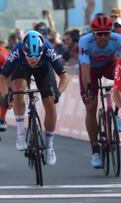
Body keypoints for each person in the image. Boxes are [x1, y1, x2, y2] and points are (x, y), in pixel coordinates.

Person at [0, 31, 70, 165]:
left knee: (50, 103)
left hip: (43, 69)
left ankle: (49, 146)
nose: (33, 60)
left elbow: (64, 76)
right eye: (30, 56)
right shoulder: (18, 51)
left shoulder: (48, 50)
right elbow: (3, 77)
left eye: (36, 56)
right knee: (18, 89)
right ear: (24, 50)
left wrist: (58, 93)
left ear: (42, 51)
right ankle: (20, 133)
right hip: (21, 67)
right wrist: (5, 96)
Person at [78, 15, 121, 169]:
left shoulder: (118, 39)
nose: (103, 37)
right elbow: (85, 67)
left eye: (106, 33)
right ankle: (95, 151)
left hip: (108, 67)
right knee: (91, 107)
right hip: (90, 70)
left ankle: (119, 113)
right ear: (93, 33)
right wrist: (88, 89)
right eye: (99, 34)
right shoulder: (85, 41)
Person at [0, 43, 10, 131]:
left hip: (4, 73)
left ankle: (2, 118)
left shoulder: (3, 52)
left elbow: (8, 72)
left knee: (4, 96)